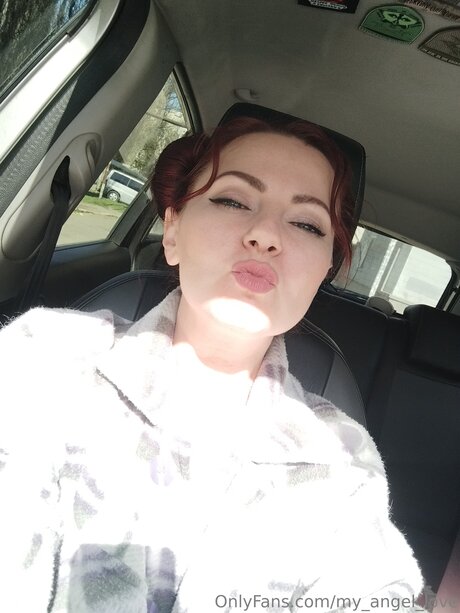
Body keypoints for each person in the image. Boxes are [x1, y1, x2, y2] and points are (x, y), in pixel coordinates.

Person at [0, 116, 427, 613]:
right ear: (173, 230)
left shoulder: (342, 457)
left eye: (307, 224)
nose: (266, 235)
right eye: (233, 200)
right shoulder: (49, 355)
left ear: (322, 273)